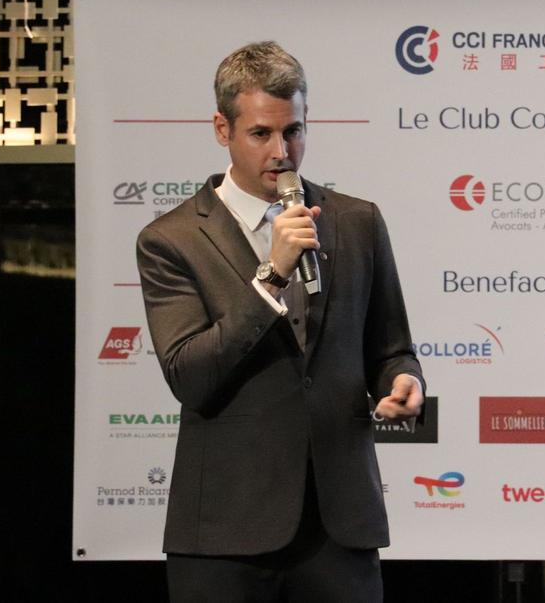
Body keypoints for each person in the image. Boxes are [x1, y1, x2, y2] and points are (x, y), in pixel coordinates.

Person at [135, 41, 424, 602]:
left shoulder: (357, 221)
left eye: (293, 131)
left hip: (339, 523)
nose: (281, 152)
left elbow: (391, 348)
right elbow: (189, 375)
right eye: (261, 134)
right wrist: (271, 276)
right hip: (224, 527)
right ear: (222, 129)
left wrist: (403, 381)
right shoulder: (170, 240)